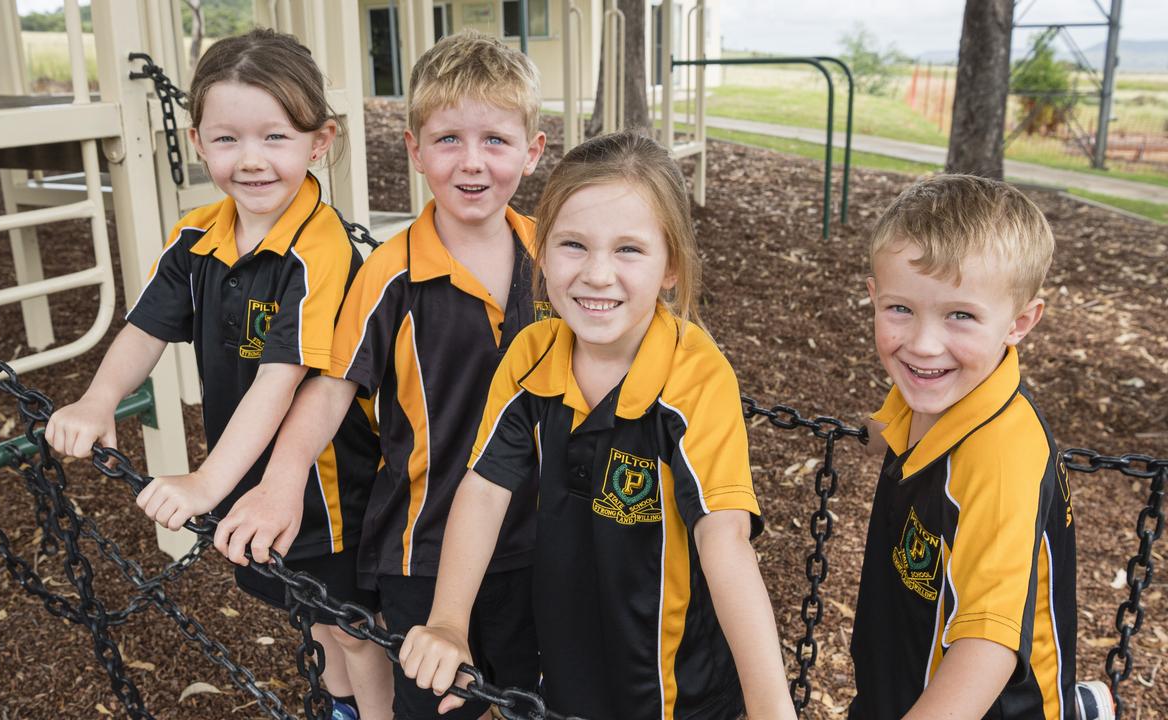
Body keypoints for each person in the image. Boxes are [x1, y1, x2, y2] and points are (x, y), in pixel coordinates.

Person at [43, 28, 391, 720]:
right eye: (227, 140)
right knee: (311, 616)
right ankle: (342, 709)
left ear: (319, 141)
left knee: (354, 627)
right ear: (198, 142)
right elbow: (143, 330)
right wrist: (98, 398)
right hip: (248, 473)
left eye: (275, 138)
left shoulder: (318, 253)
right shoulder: (198, 234)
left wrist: (207, 481)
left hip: (325, 484)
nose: (251, 161)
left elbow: (281, 380)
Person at [398, 131, 796, 720]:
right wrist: (450, 622)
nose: (597, 274)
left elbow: (725, 539)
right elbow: (484, 490)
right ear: (542, 250)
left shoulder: (694, 377)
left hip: (675, 687)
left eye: (629, 250)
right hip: (567, 659)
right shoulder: (533, 353)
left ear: (671, 266)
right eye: (573, 245)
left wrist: (771, 707)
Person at [215, 30, 547, 720]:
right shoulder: (390, 272)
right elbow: (330, 388)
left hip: (532, 538)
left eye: (496, 140)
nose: (473, 163)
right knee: (427, 702)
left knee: (523, 695)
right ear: (415, 150)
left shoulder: (555, 255)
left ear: (533, 151)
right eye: (449, 139)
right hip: (420, 546)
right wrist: (280, 488)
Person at [850, 174, 1077, 719]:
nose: (923, 344)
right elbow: (887, 430)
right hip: (902, 681)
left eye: (961, 315)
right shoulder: (926, 393)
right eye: (900, 309)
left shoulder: (1001, 455)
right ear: (874, 296)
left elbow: (989, 648)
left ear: (1019, 322)